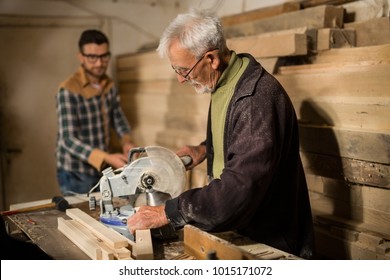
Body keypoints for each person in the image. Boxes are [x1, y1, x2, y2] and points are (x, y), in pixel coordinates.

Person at [127, 10, 315, 259]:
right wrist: (205, 148)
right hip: (242, 226)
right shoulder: (228, 79)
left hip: (270, 240)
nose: (181, 79)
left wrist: (167, 212)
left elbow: (237, 189)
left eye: (183, 70)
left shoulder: (254, 100)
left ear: (211, 59)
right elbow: (239, 134)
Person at [56, 29, 136, 196]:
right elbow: (68, 140)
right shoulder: (68, 90)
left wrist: (127, 142)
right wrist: (107, 157)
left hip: (101, 168)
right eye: (93, 57)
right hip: (76, 172)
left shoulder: (109, 84)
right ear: (81, 57)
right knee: (80, 217)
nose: (99, 63)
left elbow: (118, 117)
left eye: (104, 56)